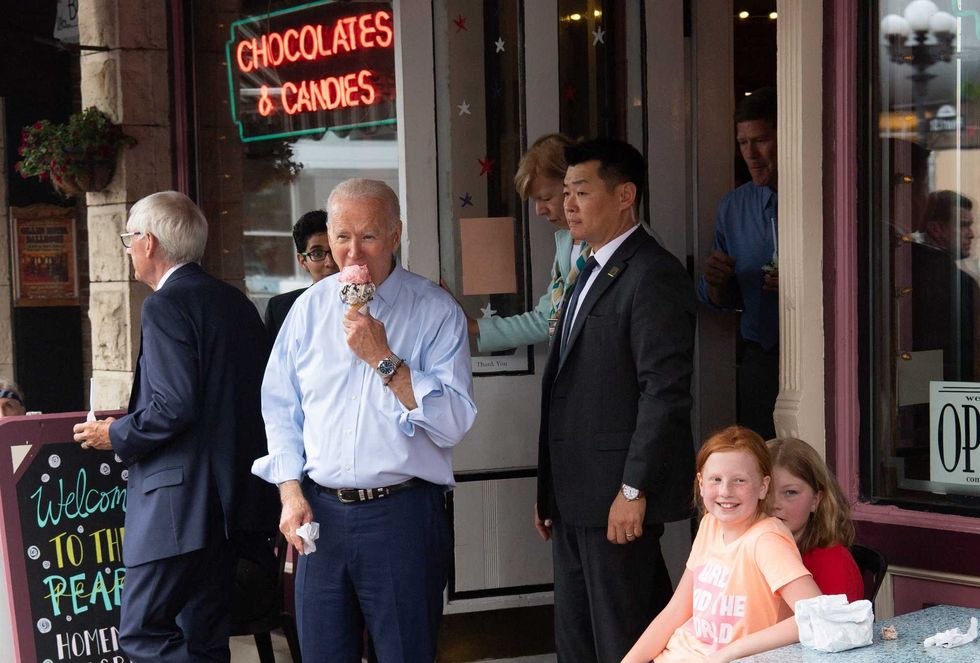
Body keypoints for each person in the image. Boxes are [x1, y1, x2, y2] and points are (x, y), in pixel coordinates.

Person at [255, 178, 477, 662]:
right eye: (341, 238)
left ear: (396, 235)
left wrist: (385, 360)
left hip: (402, 516)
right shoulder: (306, 311)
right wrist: (289, 491)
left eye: (369, 237)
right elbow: (280, 406)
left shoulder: (435, 311)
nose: (353, 252)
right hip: (321, 516)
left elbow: (456, 420)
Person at [72, 191, 274, 662]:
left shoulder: (165, 305)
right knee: (204, 639)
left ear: (149, 242)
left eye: (128, 239)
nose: (126, 250)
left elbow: (173, 405)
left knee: (143, 634)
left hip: (176, 507)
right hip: (231, 505)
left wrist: (114, 434)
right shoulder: (235, 303)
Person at [535, 137, 697, 661]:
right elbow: (564, 388)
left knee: (623, 642)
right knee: (577, 643)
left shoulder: (653, 272)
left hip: (616, 497)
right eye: (565, 192)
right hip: (573, 496)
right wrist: (547, 490)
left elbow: (664, 392)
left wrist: (634, 487)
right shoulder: (586, 268)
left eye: (582, 191)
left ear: (625, 194)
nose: (568, 204)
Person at [623, 426, 822, 663]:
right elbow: (677, 610)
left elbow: (813, 615)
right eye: (716, 480)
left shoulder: (766, 539)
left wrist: (730, 652)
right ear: (701, 483)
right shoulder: (710, 524)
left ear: (762, 487)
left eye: (739, 481)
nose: (725, 492)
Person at [698, 87, 779, 439]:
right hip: (761, 357)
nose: (751, 154)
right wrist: (716, 283)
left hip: (822, 351)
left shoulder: (821, 196)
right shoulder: (733, 207)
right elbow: (720, 300)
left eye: (760, 140)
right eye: (743, 142)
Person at [468, 133, 592, 350]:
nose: (538, 210)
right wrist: (473, 327)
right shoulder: (567, 240)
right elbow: (547, 318)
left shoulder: (618, 243)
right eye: (535, 201)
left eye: (545, 198)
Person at [768, 437, 863, 603]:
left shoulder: (833, 563)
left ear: (815, 500)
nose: (774, 504)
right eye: (766, 492)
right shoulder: (745, 550)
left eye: (790, 492)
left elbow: (832, 626)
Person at [911, 191, 977, 381]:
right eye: (963, 226)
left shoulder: (911, 268)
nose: (971, 235)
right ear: (936, 229)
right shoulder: (946, 279)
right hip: (943, 386)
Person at [264, 209, 338, 339]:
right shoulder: (281, 309)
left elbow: (382, 357)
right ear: (303, 261)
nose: (330, 262)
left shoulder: (369, 301)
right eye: (317, 254)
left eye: (335, 251)